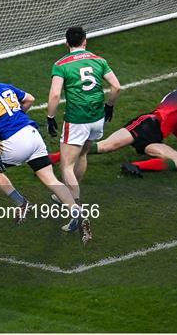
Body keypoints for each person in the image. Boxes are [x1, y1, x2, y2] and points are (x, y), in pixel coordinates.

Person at [0, 62, 91, 243]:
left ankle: (22, 203)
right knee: (50, 179)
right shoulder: (4, 86)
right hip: (32, 135)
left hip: (15, 142)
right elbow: (30, 99)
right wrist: (17, 115)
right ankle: (77, 213)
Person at [46, 26, 121, 219]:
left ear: (66, 43)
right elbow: (116, 86)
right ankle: (68, 195)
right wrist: (110, 106)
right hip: (97, 118)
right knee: (83, 154)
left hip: (77, 120)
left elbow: (55, 94)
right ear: (85, 41)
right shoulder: (99, 60)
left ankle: (76, 208)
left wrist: (50, 117)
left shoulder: (61, 64)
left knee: (66, 166)